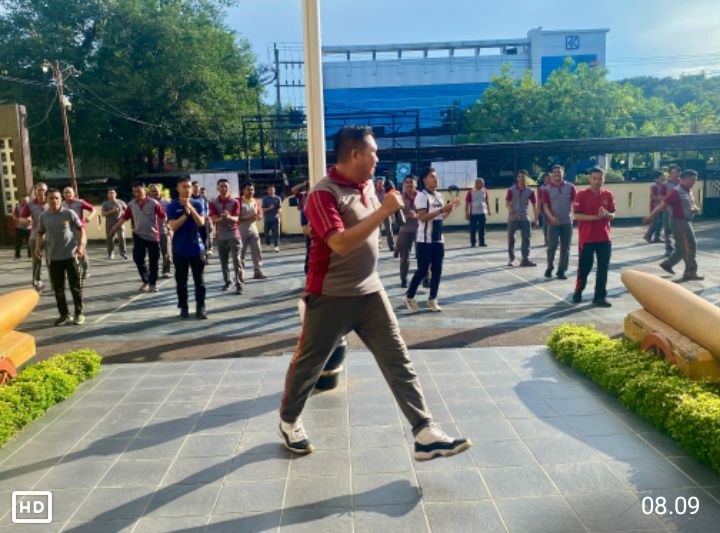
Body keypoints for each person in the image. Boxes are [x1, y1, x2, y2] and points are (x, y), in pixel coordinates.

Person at [279, 125, 470, 461]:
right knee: (309, 364)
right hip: (331, 297)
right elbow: (339, 243)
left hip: (370, 291)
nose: (378, 158)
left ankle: (424, 431)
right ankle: (289, 420)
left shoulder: (368, 186)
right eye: (374, 152)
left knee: (398, 359)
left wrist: (385, 208)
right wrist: (383, 211)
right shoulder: (323, 194)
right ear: (354, 154)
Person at [404, 167, 461, 313]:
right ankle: (409, 296)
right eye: (432, 176)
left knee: (437, 271)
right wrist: (442, 209)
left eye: (436, 176)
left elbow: (440, 217)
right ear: (424, 179)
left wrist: (450, 209)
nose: (436, 179)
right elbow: (422, 217)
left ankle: (433, 299)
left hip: (438, 239)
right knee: (422, 270)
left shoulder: (439, 196)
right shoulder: (421, 196)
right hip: (425, 240)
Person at [36, 189, 85, 325]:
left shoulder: (69, 213)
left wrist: (81, 246)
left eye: (57, 198)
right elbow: (40, 233)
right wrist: (37, 247)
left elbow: (81, 230)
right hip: (54, 258)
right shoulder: (43, 216)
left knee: (75, 287)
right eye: (51, 198)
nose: (54, 201)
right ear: (47, 200)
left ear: (61, 200)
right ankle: (64, 315)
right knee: (58, 289)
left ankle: (79, 313)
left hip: (70, 256)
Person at [644, 169, 703, 281]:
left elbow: (690, 204)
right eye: (692, 180)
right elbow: (662, 205)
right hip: (678, 221)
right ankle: (690, 272)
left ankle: (668, 264)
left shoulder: (688, 190)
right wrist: (650, 217)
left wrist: (694, 209)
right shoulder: (676, 191)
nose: (694, 182)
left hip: (686, 221)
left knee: (683, 247)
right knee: (689, 246)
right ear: (684, 179)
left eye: (695, 180)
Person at [109, 182, 165, 293]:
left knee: (154, 261)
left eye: (139, 191)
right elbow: (124, 218)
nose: (137, 194)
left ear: (145, 190)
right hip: (138, 235)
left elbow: (163, 216)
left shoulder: (153, 203)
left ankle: (152, 284)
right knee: (138, 259)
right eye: (134, 192)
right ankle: (146, 280)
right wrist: (114, 227)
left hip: (153, 236)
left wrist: (168, 227)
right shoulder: (131, 204)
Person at [572, 167, 616, 307]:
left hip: (604, 238)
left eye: (600, 178)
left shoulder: (608, 195)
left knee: (603, 268)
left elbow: (613, 214)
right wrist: (596, 217)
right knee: (585, 267)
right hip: (587, 238)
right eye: (594, 178)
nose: (597, 181)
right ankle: (579, 290)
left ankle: (599, 296)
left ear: (604, 179)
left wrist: (607, 214)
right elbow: (577, 215)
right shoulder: (581, 195)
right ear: (589, 179)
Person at [167, 177, 208, 319]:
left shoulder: (199, 203)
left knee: (199, 281)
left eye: (189, 186)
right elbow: (173, 226)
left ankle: (201, 307)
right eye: (184, 186)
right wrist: (185, 214)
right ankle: (183, 307)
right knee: (181, 282)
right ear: (178, 189)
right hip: (180, 249)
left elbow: (201, 222)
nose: (187, 189)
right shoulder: (172, 206)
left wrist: (190, 207)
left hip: (197, 249)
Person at [209, 178, 244, 294]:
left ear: (229, 188)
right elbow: (214, 219)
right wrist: (223, 218)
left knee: (236, 260)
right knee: (224, 261)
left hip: (234, 234)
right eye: (221, 186)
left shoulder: (235, 202)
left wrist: (228, 217)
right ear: (217, 188)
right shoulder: (213, 203)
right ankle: (228, 281)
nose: (224, 188)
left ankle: (239, 283)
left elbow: (237, 218)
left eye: (226, 186)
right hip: (221, 236)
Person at [542, 165, 576, 280]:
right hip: (553, 223)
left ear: (563, 173)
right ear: (552, 174)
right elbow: (545, 207)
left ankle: (561, 271)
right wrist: (551, 217)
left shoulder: (570, 187)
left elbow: (575, 202)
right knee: (552, 246)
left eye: (559, 172)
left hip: (567, 222)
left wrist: (573, 214)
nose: (557, 174)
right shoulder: (546, 189)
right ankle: (549, 267)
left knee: (565, 247)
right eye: (555, 172)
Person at [506, 169, 539, 267]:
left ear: (526, 178)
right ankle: (512, 259)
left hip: (524, 216)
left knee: (526, 239)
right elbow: (507, 204)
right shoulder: (511, 190)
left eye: (523, 177)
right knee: (511, 238)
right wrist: (513, 212)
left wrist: (536, 219)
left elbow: (534, 205)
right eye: (519, 177)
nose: (521, 179)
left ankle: (525, 259)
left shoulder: (530, 191)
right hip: (513, 217)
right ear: (517, 178)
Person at [21, 182, 49, 292]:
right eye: (39, 190)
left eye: (44, 190)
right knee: (36, 261)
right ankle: (37, 283)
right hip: (35, 237)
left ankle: (55, 284)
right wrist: (26, 220)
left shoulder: (51, 201)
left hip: (51, 237)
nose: (42, 192)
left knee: (52, 262)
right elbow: (22, 218)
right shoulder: (30, 204)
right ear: (35, 191)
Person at [62, 187, 94, 280]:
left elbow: (93, 209)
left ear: (73, 193)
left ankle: (86, 270)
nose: (67, 194)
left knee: (81, 249)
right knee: (68, 250)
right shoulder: (62, 204)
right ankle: (72, 270)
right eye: (65, 192)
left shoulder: (80, 202)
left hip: (79, 229)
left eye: (69, 192)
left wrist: (89, 217)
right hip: (67, 230)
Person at [239, 182, 268, 279]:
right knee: (241, 253)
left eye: (252, 189)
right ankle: (240, 273)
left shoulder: (255, 201)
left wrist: (259, 217)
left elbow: (258, 214)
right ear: (243, 190)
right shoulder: (238, 201)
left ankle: (257, 271)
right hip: (242, 230)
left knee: (257, 251)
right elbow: (236, 218)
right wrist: (250, 217)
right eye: (248, 189)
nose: (251, 191)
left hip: (253, 230)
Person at [396, 175, 419, 288]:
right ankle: (404, 279)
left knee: (423, 255)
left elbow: (428, 212)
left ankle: (426, 278)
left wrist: (417, 215)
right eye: (407, 182)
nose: (409, 184)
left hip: (420, 229)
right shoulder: (399, 198)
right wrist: (407, 216)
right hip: (404, 230)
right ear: (404, 184)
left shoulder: (422, 196)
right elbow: (396, 215)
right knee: (404, 257)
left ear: (416, 184)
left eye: (411, 182)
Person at [149, 184, 172, 278]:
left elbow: (171, 217)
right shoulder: (148, 203)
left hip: (164, 231)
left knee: (166, 252)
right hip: (152, 232)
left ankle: (166, 271)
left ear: (160, 191)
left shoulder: (167, 203)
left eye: (156, 190)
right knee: (153, 254)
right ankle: (154, 272)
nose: (155, 192)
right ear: (150, 192)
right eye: (153, 191)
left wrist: (170, 229)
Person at [101, 188, 127, 260]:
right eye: (110, 193)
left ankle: (123, 253)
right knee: (110, 239)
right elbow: (103, 214)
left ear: (116, 194)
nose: (111, 194)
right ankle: (110, 253)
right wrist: (112, 211)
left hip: (119, 223)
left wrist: (124, 214)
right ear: (108, 195)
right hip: (110, 224)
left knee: (122, 238)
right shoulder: (105, 203)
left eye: (113, 193)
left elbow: (127, 210)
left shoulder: (121, 202)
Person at [291, 180, 311, 273]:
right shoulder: (303, 196)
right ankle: (307, 269)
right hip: (307, 223)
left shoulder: (317, 195)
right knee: (309, 247)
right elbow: (293, 190)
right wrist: (303, 184)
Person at [661, 165, 681, 257]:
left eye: (677, 172)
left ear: (680, 173)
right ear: (670, 174)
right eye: (673, 172)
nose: (675, 174)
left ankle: (679, 249)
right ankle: (669, 249)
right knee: (667, 230)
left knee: (680, 230)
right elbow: (661, 197)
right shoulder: (665, 184)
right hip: (668, 210)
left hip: (681, 210)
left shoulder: (683, 183)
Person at [465, 177, 490, 247]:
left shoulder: (484, 191)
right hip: (473, 213)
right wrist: (467, 213)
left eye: (483, 183)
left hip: (482, 212)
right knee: (473, 228)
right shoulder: (471, 192)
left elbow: (486, 201)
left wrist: (488, 210)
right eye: (481, 183)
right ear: (476, 184)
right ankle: (473, 242)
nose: (482, 185)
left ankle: (482, 242)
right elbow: (467, 203)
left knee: (482, 228)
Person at [643, 170, 665, 244]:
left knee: (661, 222)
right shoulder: (654, 185)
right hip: (655, 205)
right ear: (659, 176)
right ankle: (648, 236)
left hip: (662, 205)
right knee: (656, 221)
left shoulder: (663, 185)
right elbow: (652, 196)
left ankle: (657, 237)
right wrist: (661, 199)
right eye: (663, 176)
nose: (664, 177)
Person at [374, 176, 395, 251]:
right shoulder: (373, 191)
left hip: (386, 212)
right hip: (377, 213)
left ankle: (391, 245)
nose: (380, 184)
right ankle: (378, 245)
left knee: (389, 229)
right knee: (377, 230)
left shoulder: (386, 191)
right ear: (376, 183)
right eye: (379, 182)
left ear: (383, 183)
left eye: (381, 182)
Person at [191, 181, 210, 262]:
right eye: (194, 186)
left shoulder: (203, 199)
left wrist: (207, 217)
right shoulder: (189, 199)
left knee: (204, 239)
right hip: (193, 222)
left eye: (197, 186)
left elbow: (207, 210)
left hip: (203, 222)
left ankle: (205, 256)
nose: (196, 188)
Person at [262, 185, 282, 252]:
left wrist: (279, 210)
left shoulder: (278, 198)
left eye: (272, 190)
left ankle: (276, 246)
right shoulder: (265, 199)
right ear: (267, 191)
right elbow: (263, 209)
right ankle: (267, 245)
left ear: (274, 191)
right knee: (266, 233)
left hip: (276, 218)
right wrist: (269, 208)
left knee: (277, 233)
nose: (271, 191)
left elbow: (280, 207)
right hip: (267, 219)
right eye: (270, 190)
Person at [12, 195, 31, 261]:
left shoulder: (31, 207)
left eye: (26, 200)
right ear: (21, 200)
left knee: (30, 243)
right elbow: (14, 216)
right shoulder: (18, 207)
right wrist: (19, 220)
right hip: (19, 228)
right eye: (23, 200)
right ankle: (17, 256)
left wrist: (29, 220)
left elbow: (34, 215)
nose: (25, 202)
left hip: (29, 228)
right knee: (18, 243)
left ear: (29, 200)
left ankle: (30, 256)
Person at [536, 172, 551, 246]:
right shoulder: (541, 188)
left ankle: (553, 240)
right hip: (544, 209)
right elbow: (539, 198)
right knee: (545, 225)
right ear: (544, 179)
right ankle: (546, 240)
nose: (548, 179)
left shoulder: (553, 186)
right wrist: (538, 209)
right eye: (546, 178)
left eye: (549, 178)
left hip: (553, 209)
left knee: (553, 225)